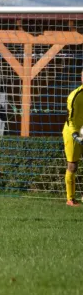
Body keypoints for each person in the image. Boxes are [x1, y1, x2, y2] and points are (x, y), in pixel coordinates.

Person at [63, 69, 83, 206]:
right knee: (73, 165)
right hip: (73, 132)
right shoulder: (74, 96)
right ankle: (70, 199)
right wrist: (77, 136)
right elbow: (71, 121)